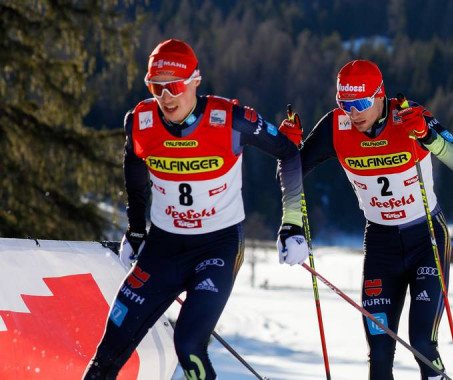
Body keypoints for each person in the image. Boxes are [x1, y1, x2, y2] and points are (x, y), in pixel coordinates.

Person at [83, 39, 309, 380]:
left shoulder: (231, 119)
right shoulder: (140, 121)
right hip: (163, 248)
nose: (166, 97)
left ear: (195, 81)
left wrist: (292, 224)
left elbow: (289, 153)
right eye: (155, 87)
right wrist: (136, 229)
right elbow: (134, 169)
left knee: (188, 343)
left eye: (174, 86)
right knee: (109, 348)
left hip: (217, 247)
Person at [278, 59, 453, 380]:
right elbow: (291, 171)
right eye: (345, 104)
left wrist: (429, 138)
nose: (353, 113)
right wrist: (286, 152)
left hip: (426, 237)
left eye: (360, 103)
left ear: (380, 95)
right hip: (381, 245)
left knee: (423, 345)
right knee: (380, 351)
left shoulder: (410, 115)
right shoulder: (335, 126)